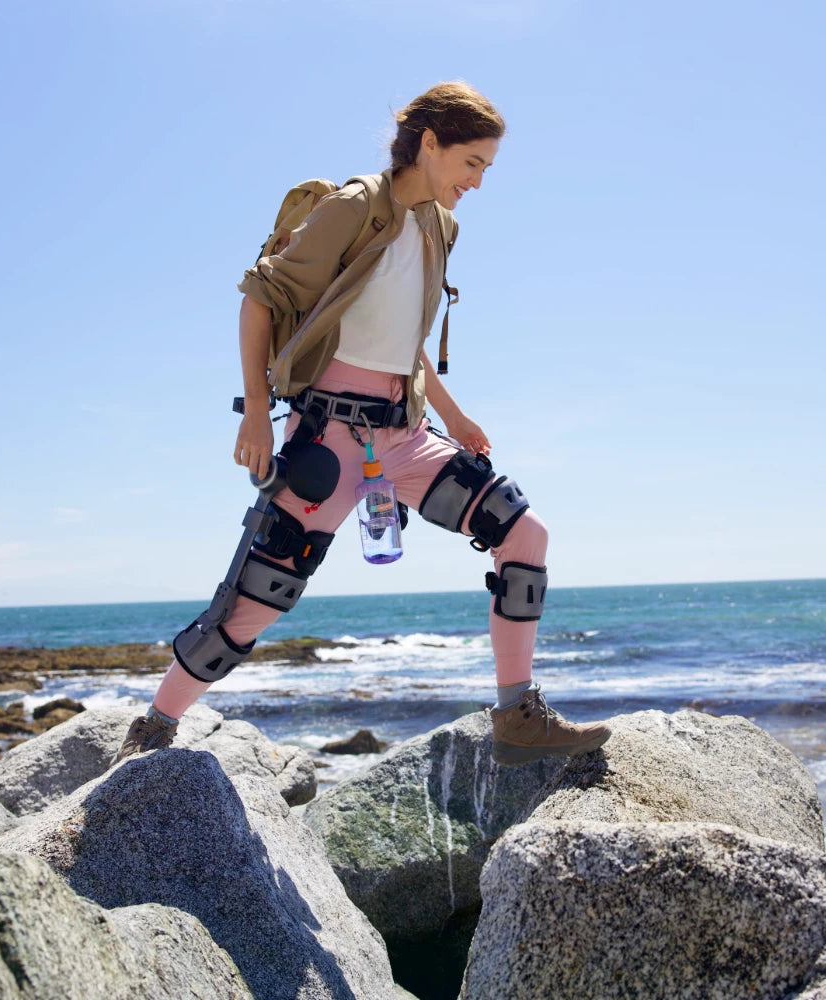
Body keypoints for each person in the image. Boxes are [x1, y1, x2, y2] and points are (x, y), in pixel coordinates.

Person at [115, 82, 611, 767]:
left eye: (486, 168)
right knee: (256, 601)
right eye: (471, 162)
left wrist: (454, 414)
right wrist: (256, 413)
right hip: (327, 442)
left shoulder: (441, 226)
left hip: (405, 437)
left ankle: (517, 717)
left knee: (524, 532)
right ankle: (154, 728)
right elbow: (260, 299)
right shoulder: (353, 208)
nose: (477, 182)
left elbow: (405, 335)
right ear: (429, 143)